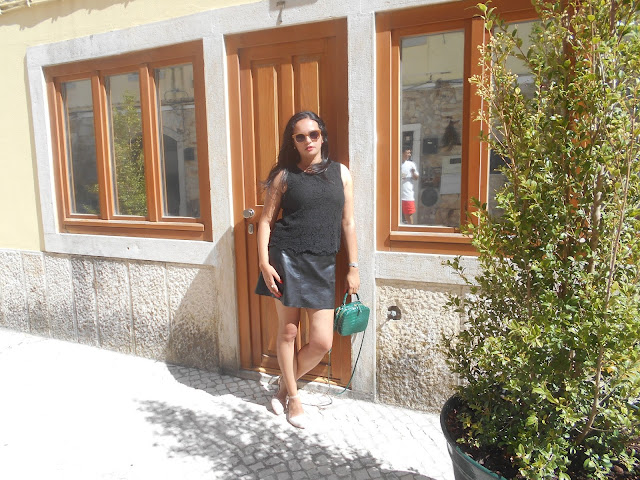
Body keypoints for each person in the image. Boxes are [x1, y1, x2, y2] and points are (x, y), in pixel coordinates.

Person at [254, 111, 360, 429]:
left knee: (322, 342)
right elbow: (265, 221)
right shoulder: (284, 176)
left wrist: (353, 267)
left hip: (323, 263)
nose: (308, 141)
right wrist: (263, 263)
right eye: (300, 136)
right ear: (293, 141)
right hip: (285, 258)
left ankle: (282, 386)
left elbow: (348, 223)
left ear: (322, 135)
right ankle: (294, 398)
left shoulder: (341, 173)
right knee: (288, 332)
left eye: (313, 134)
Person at [401, 148, 419, 224]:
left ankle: (410, 228)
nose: (409, 155)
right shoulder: (394, 163)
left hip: (407, 194)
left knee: (408, 215)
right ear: (402, 153)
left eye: (410, 153)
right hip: (395, 194)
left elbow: (416, 178)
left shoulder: (411, 164)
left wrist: (413, 172)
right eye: (407, 153)